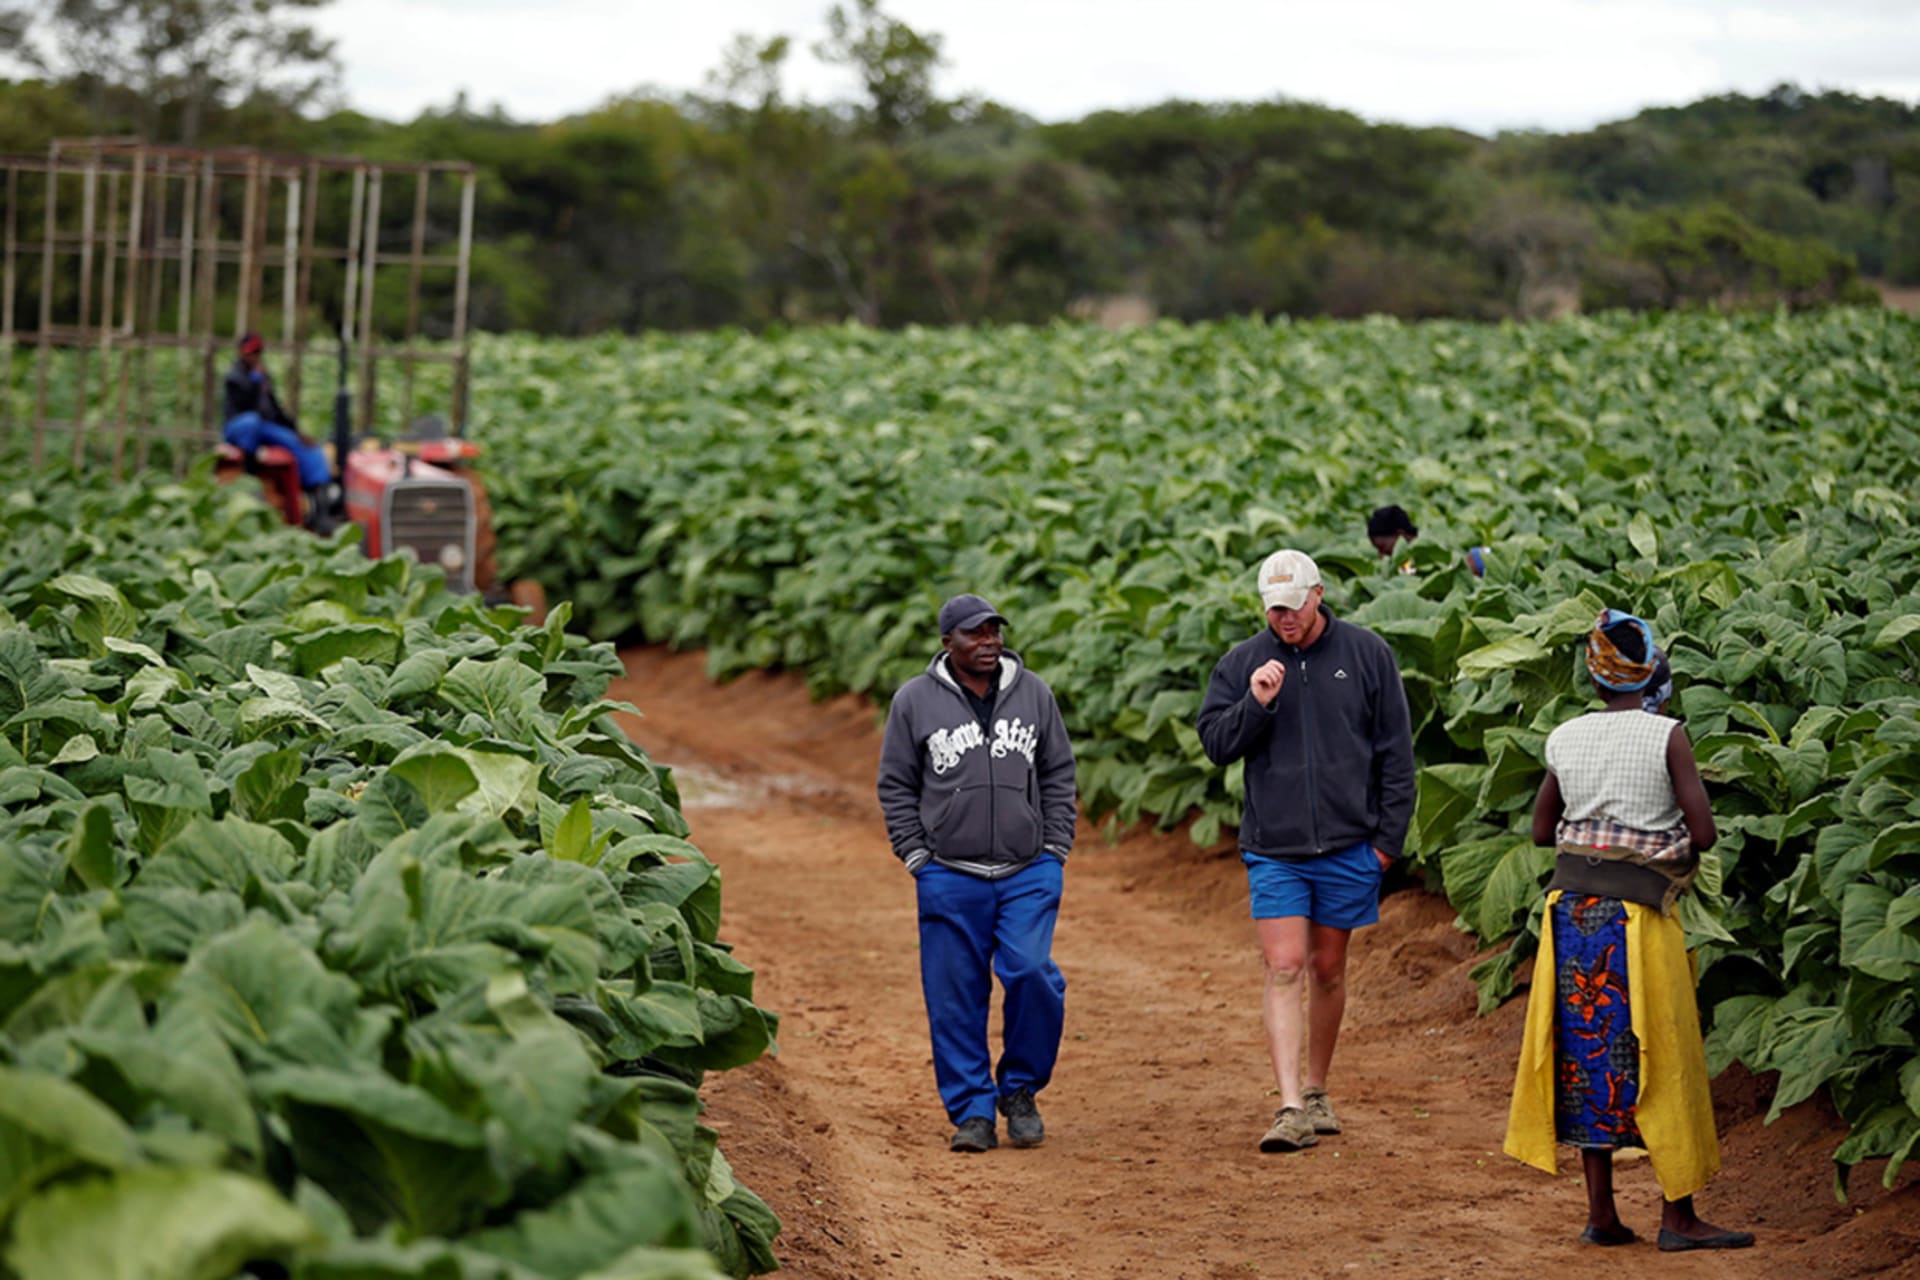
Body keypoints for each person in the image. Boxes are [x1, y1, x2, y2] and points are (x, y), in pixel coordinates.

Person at [1504, 611, 1754, 1253]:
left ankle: (1602, 1214)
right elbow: (1703, 835)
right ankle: (1679, 1217)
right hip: (1639, 916)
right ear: (1650, 674)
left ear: (1592, 676)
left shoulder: (1565, 736)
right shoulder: (1666, 734)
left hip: (1573, 918)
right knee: (1661, 1053)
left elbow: (1540, 830)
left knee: (1589, 1057)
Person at [1196, 549, 1415, 1152]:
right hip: (1275, 847)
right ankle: (1289, 1105)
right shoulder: (1243, 663)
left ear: (1318, 595)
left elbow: (1397, 753)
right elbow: (1216, 744)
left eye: (1293, 607)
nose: (1284, 619)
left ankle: (1317, 1088)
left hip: (1350, 845)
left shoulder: (1367, 654)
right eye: (1273, 609)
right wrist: (1257, 703)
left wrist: (1385, 848)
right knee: (1284, 965)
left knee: (1327, 969)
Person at [877, 593, 1078, 1153]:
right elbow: (895, 784)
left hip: (1027, 869)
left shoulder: (1033, 692)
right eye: (975, 634)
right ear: (948, 643)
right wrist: (916, 855)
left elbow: (1059, 771)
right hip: (948, 872)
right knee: (954, 993)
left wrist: (1055, 845)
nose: (990, 642)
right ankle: (972, 1111)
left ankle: (1019, 1090)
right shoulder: (914, 702)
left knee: (1032, 972)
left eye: (995, 631)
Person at [222, 332, 335, 533]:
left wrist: (296, 432)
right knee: (251, 422)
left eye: (257, 353)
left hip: (264, 426)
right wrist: (256, 383)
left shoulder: (263, 377)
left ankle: (319, 511)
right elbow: (246, 404)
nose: (253, 357)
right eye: (249, 353)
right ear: (241, 354)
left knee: (310, 451)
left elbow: (275, 410)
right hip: (239, 426)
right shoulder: (235, 377)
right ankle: (251, 470)